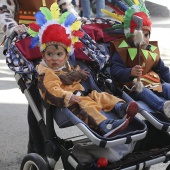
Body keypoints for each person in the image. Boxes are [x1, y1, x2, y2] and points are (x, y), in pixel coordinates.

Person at [28, 3, 139, 138]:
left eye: (59, 54)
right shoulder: (46, 72)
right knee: (89, 106)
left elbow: (68, 76)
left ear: (67, 55)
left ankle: (120, 107)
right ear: (43, 55)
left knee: (102, 95)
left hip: (83, 94)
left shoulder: (65, 65)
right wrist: (68, 96)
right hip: (71, 103)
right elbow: (51, 90)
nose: (54, 59)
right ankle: (105, 126)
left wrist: (78, 74)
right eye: (49, 54)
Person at [0, 0, 58, 156]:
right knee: (35, 97)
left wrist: (76, 21)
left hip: (54, 44)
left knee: (54, 94)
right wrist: (12, 27)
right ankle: (37, 150)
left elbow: (66, 7)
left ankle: (39, 146)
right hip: (26, 44)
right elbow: (3, 11)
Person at [102, 0, 170, 119]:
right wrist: (130, 72)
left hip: (153, 83)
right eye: (139, 35)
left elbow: (164, 71)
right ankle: (163, 107)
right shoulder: (122, 49)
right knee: (142, 91)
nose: (143, 39)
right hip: (133, 87)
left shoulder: (151, 50)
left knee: (166, 87)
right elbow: (116, 71)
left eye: (146, 35)